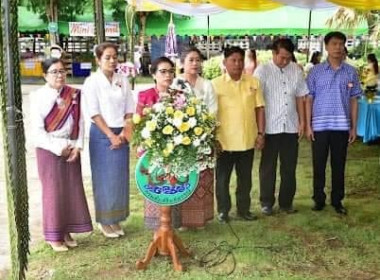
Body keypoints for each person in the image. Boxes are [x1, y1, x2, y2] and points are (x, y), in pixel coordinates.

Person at [30, 58, 92, 252]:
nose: (59, 75)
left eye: (62, 71)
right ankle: (54, 235)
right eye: (54, 72)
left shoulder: (73, 94)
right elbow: (37, 132)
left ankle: (67, 230)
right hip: (49, 150)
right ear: (44, 75)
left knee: (71, 190)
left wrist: (77, 147)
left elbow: (80, 122)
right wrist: (58, 148)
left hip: (71, 147)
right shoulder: (37, 97)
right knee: (53, 192)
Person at [306, 31, 362, 215]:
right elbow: (309, 98)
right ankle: (318, 199)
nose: (338, 47)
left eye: (341, 44)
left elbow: (354, 100)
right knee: (319, 164)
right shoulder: (315, 72)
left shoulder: (351, 72)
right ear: (327, 47)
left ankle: (337, 200)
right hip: (320, 126)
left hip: (341, 127)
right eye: (334, 44)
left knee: (339, 164)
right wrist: (308, 125)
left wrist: (354, 126)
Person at [82, 42, 135, 237]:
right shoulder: (92, 82)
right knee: (104, 179)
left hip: (122, 134)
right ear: (98, 60)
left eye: (115, 57)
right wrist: (111, 135)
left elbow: (130, 107)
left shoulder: (123, 79)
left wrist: (125, 131)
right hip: (102, 134)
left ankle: (116, 219)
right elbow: (94, 113)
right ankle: (105, 221)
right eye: (107, 57)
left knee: (119, 178)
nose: (112, 61)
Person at [254, 38, 308, 216]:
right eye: (282, 57)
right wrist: (259, 128)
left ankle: (286, 202)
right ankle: (266, 202)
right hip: (270, 126)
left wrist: (302, 121)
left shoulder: (296, 70)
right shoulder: (262, 71)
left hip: (290, 125)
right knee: (268, 167)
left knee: (289, 166)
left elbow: (300, 96)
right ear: (274, 53)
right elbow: (256, 100)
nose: (285, 61)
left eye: (288, 58)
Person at [212, 46, 265, 223]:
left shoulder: (253, 82)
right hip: (223, 141)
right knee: (222, 179)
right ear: (225, 62)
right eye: (233, 60)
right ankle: (223, 211)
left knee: (245, 179)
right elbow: (210, 114)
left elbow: (259, 108)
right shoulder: (215, 84)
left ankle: (244, 210)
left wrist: (261, 133)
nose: (237, 64)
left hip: (247, 140)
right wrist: (213, 138)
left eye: (240, 60)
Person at [137, 57, 182, 230]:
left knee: (173, 183)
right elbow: (139, 123)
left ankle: (174, 223)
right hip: (152, 150)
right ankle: (155, 223)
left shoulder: (179, 96)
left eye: (171, 71)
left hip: (175, 150)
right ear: (154, 74)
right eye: (163, 72)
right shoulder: (145, 95)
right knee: (155, 182)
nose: (168, 75)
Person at [174, 47, 217, 230]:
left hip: (202, 138)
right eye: (191, 60)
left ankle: (200, 219)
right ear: (182, 63)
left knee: (201, 178)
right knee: (183, 177)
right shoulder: (176, 83)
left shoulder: (207, 84)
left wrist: (202, 130)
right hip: (180, 139)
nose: (195, 63)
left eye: (198, 60)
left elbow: (213, 111)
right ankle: (183, 220)